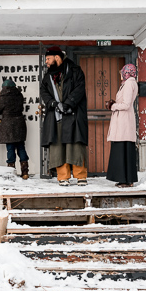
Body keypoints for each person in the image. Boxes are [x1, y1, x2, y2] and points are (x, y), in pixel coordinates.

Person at [40, 46, 89, 186]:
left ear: (57, 57)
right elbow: (44, 92)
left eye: (48, 59)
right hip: (56, 116)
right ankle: (63, 177)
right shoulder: (48, 76)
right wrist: (54, 104)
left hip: (73, 114)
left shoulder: (75, 71)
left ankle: (80, 176)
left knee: (76, 145)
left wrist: (67, 104)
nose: (47, 62)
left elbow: (79, 89)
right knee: (58, 147)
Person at [106, 63, 139, 188]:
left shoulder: (129, 84)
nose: (120, 74)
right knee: (123, 150)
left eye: (122, 72)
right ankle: (125, 179)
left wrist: (113, 106)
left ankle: (125, 180)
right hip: (123, 121)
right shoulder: (128, 83)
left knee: (122, 149)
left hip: (124, 122)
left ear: (126, 72)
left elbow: (126, 105)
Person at [0, 79, 30, 179]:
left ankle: (11, 171)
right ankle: (25, 172)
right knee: (21, 147)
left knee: (10, 148)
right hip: (19, 123)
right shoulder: (19, 95)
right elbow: (21, 109)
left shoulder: (3, 97)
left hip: (8, 124)